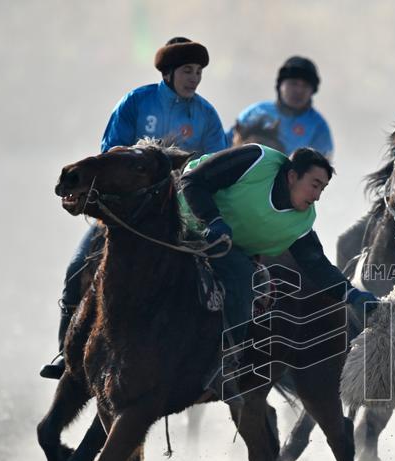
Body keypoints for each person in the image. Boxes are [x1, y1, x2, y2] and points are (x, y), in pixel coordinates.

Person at [40, 37, 227, 379]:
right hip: (125, 212)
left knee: (222, 270)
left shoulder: (206, 114)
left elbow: (216, 164)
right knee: (77, 270)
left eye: (199, 72)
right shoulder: (137, 102)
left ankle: (218, 357)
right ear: (168, 73)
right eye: (188, 70)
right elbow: (110, 151)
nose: (195, 78)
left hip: (181, 213)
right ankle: (65, 358)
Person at [178, 145, 377, 399]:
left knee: (242, 278)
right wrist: (212, 218)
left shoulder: (301, 222)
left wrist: (351, 294)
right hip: (179, 217)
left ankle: (224, 362)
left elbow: (316, 264)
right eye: (314, 185)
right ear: (292, 176)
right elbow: (192, 180)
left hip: (224, 248)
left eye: (322, 189)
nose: (317, 196)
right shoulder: (254, 159)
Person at [228, 56, 334, 160]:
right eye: (293, 83)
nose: (299, 90)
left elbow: (321, 169)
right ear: (280, 85)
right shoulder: (255, 112)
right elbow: (225, 145)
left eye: (305, 86)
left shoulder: (318, 127)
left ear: (312, 91)